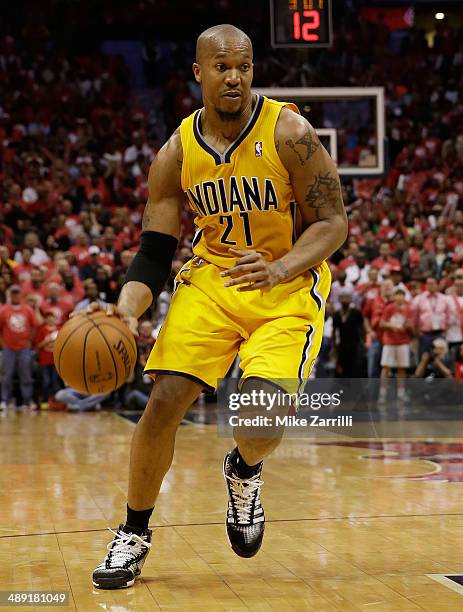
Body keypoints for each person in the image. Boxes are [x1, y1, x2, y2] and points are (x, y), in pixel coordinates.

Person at [90, 24, 347, 589]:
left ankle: (244, 469)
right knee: (163, 402)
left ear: (253, 70)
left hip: (285, 285)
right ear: (199, 73)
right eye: (223, 67)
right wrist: (126, 310)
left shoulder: (291, 132)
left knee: (256, 421)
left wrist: (280, 267)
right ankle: (134, 531)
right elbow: (155, 252)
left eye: (244, 67)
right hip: (212, 279)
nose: (234, 77)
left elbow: (334, 223)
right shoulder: (176, 151)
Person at [0, 285, 38, 410]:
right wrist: (2, 343)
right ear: (10, 295)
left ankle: (27, 401)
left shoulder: (28, 310)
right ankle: (5, 400)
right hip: (8, 348)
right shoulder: (3, 310)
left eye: (17, 293)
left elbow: (33, 327)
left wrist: (30, 341)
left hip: (24, 348)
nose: (15, 296)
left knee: (26, 375)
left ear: (21, 295)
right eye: (13, 293)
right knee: (7, 375)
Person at [378, 288, 414, 403]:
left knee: (402, 368)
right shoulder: (389, 308)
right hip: (389, 341)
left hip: (403, 341)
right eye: (397, 295)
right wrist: (394, 325)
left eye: (402, 295)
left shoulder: (408, 309)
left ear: (404, 297)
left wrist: (409, 326)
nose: (399, 297)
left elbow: (411, 326)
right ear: (394, 296)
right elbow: (382, 323)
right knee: (386, 367)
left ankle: (401, 393)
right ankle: (382, 394)